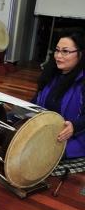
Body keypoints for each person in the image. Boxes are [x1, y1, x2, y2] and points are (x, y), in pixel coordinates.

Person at [33, 29, 85, 174]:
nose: (58, 56)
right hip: (46, 130)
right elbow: (36, 100)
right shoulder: (51, 74)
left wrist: (75, 126)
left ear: (80, 54)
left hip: (74, 136)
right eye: (57, 50)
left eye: (65, 51)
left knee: (38, 154)